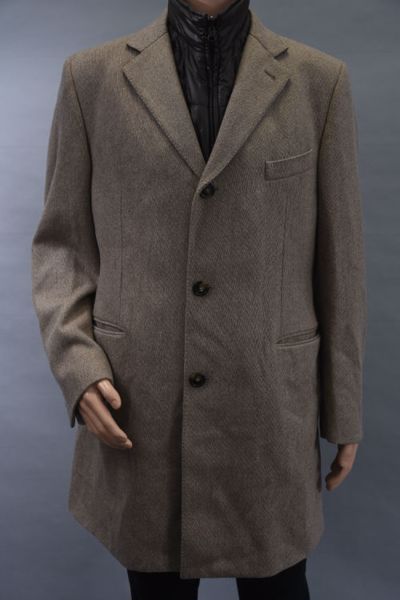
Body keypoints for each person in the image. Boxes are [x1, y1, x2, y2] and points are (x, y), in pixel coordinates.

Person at [31, 0, 367, 598]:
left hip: (269, 409)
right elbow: (62, 246)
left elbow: (340, 264)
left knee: (280, 587)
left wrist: (345, 408)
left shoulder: (319, 82)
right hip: (140, 405)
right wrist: (77, 368)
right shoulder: (92, 78)